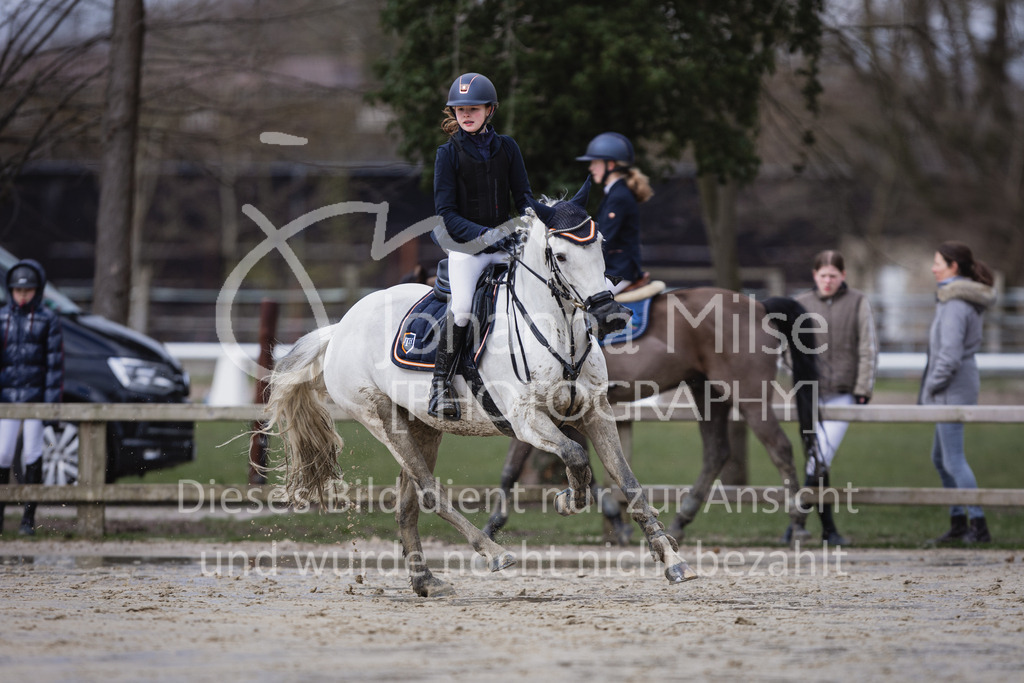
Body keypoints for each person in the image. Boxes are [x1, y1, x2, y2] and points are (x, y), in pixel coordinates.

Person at [430, 72, 533, 420]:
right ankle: (439, 386)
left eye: (473, 108)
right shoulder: (448, 154)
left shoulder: (508, 148)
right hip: (465, 248)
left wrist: (533, 224)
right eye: (460, 110)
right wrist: (487, 236)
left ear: (490, 110)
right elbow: (446, 214)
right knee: (460, 308)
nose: (466, 115)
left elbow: (524, 198)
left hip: (506, 242)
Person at [784, 250, 878, 546]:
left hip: (842, 394)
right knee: (818, 461)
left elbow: (868, 346)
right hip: (809, 395)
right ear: (815, 276)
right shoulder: (799, 304)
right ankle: (829, 531)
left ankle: (797, 519)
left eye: (833, 276)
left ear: (843, 276)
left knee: (819, 460)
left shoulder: (858, 302)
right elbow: (786, 347)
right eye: (823, 276)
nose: (827, 281)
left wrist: (863, 388)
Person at [921, 241, 996, 545]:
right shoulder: (955, 298)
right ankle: (959, 522)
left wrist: (931, 386)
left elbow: (949, 356)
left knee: (953, 459)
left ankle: (977, 525)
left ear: (953, 266)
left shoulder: (954, 302)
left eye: (937, 262)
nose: (933, 267)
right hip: (956, 383)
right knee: (941, 458)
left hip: (952, 387)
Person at [0, 259, 63, 536]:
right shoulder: (3, 318)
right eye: (17, 291)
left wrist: (50, 406)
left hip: (36, 397)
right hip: (8, 398)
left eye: (27, 291)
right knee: (2, 453)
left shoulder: (48, 320)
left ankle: (28, 516)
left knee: (32, 453)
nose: (22, 295)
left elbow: (54, 366)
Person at [576, 132, 653, 295]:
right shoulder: (614, 193)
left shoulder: (618, 197)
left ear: (609, 165)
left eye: (595, 163)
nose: (591, 168)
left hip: (619, 272)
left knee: (585, 298)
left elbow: (604, 238)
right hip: (615, 268)